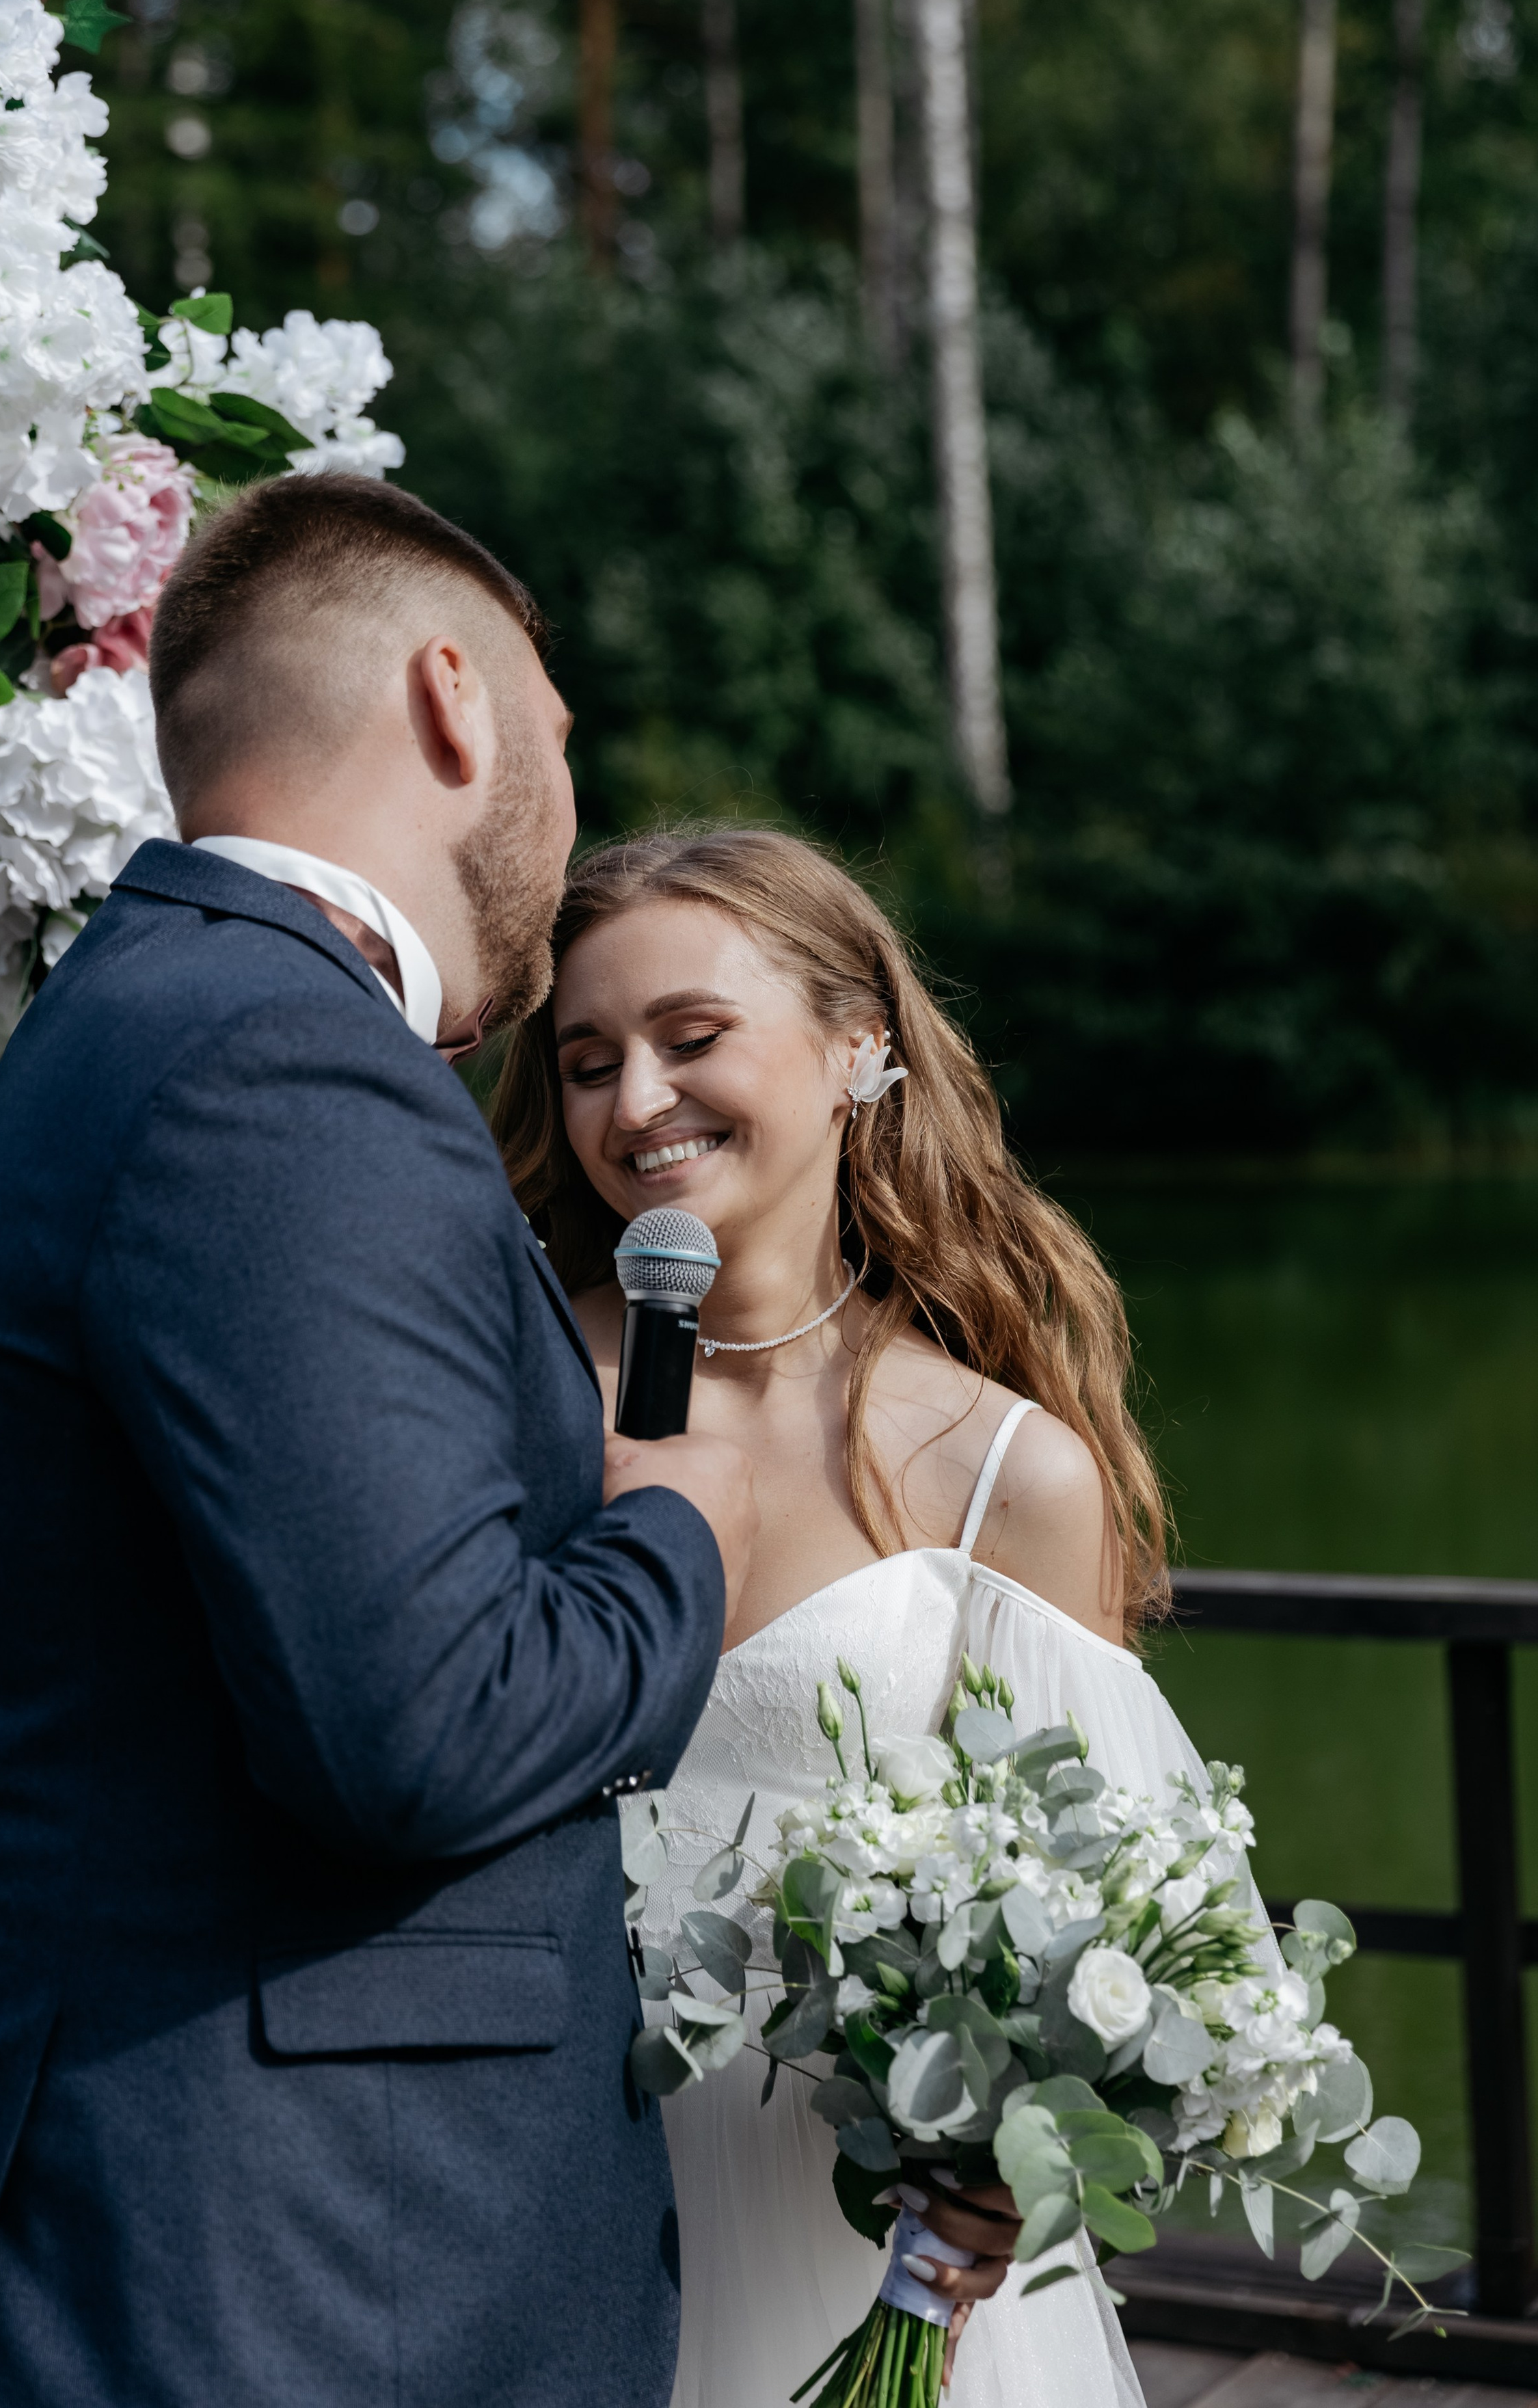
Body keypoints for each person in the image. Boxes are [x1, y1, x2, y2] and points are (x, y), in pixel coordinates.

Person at [0, 476, 758, 2408]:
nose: (569, 811)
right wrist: (672, 1522)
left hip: (186, 2230)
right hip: (288, 2277)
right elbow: (420, 1734)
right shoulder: (282, 1060)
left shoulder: (135, 1013)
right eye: (561, 739)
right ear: (453, 701)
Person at [488, 828, 1211, 2408]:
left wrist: (1014, 2150)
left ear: (852, 1051)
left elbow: (1116, 1916)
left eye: (690, 1039)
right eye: (587, 1063)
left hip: (843, 2220)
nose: (633, 1103)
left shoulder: (1001, 1469)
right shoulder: (497, 1392)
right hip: (528, 2169)